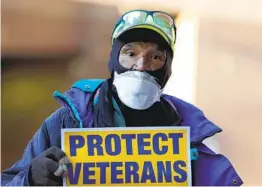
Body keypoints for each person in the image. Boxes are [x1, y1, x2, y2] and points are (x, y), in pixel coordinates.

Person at [1, 9, 243, 186]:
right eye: (130, 53)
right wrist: (31, 179)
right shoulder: (68, 121)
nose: (140, 66)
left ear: (167, 69)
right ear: (114, 59)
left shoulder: (188, 134)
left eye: (155, 57)